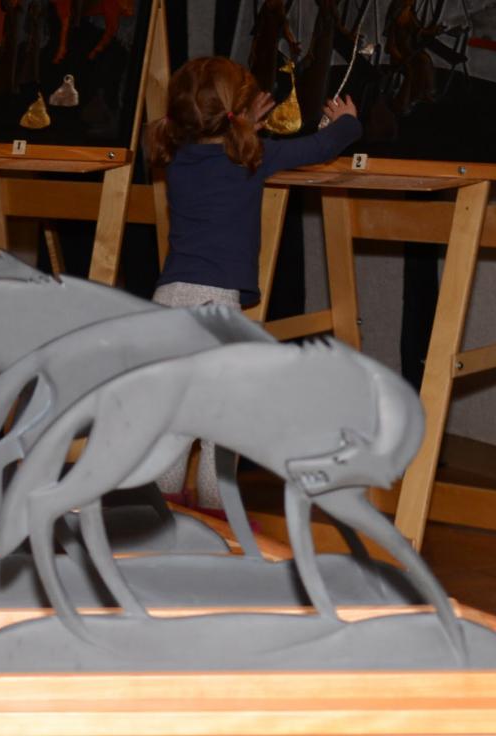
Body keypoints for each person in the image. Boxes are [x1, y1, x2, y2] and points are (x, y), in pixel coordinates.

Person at [147, 56, 361, 509]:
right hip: (215, 307)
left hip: (166, 303)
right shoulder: (252, 158)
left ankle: (161, 503)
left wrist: (245, 125)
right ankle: (215, 507)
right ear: (237, 116)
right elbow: (319, 147)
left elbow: (218, 152)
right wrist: (345, 123)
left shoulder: (177, 159)